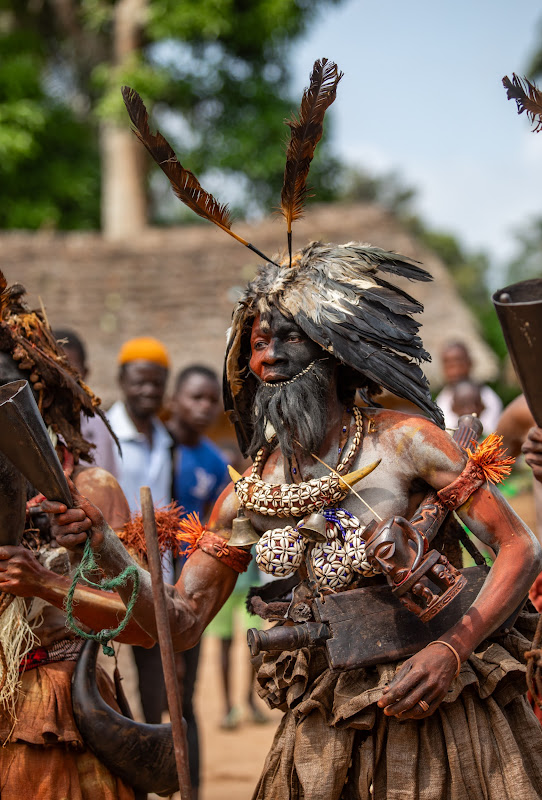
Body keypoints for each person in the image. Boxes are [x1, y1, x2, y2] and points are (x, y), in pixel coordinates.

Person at [48, 240, 542, 800]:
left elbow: (520, 547)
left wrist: (451, 650)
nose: (273, 356)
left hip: (444, 703)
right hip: (327, 718)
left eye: (291, 337)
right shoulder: (249, 494)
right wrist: (101, 545)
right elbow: (181, 622)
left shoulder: (406, 441)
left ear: (334, 349)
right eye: (260, 343)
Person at [0, 272, 154, 800]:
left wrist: (43, 582)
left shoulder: (91, 490)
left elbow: (140, 623)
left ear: (38, 405)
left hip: (61, 709)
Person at [166, 364, 229, 798]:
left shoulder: (214, 461)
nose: (205, 407)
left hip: (190, 591)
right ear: (175, 400)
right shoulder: (153, 446)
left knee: (183, 694)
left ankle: (192, 789)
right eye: (195, 398)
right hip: (144, 581)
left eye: (212, 400)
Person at [107, 336, 173, 725]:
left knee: (155, 689)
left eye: (156, 382)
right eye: (139, 381)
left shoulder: (166, 440)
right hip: (113, 575)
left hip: (159, 580)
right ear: (121, 380)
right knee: (118, 684)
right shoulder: (102, 434)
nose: (148, 390)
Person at [54, 327, 119, 478]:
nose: (63, 379)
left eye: (71, 371)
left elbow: (110, 484)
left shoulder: (100, 425)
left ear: (85, 373)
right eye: (56, 368)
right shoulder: (31, 424)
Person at [436, 341, 502, 433]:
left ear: (470, 363)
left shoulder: (488, 397)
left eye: (458, 362)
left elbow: (488, 434)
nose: (454, 370)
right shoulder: (441, 401)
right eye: (449, 364)